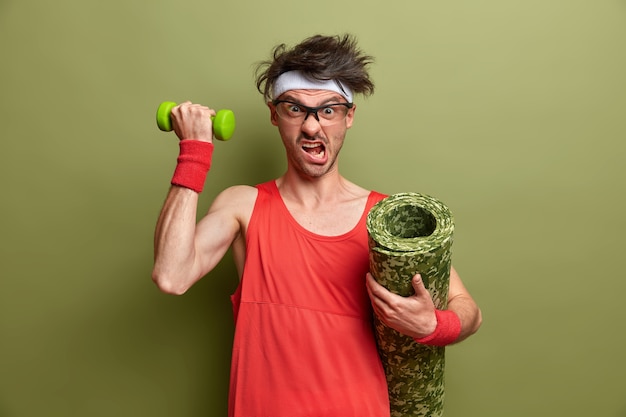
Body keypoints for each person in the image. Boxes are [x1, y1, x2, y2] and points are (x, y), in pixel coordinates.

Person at [152, 34, 482, 417]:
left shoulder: (384, 218)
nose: (312, 127)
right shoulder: (243, 205)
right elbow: (171, 275)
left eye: (328, 110)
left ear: (349, 116)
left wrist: (432, 324)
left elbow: (469, 311)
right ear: (274, 115)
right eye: (295, 109)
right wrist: (194, 152)